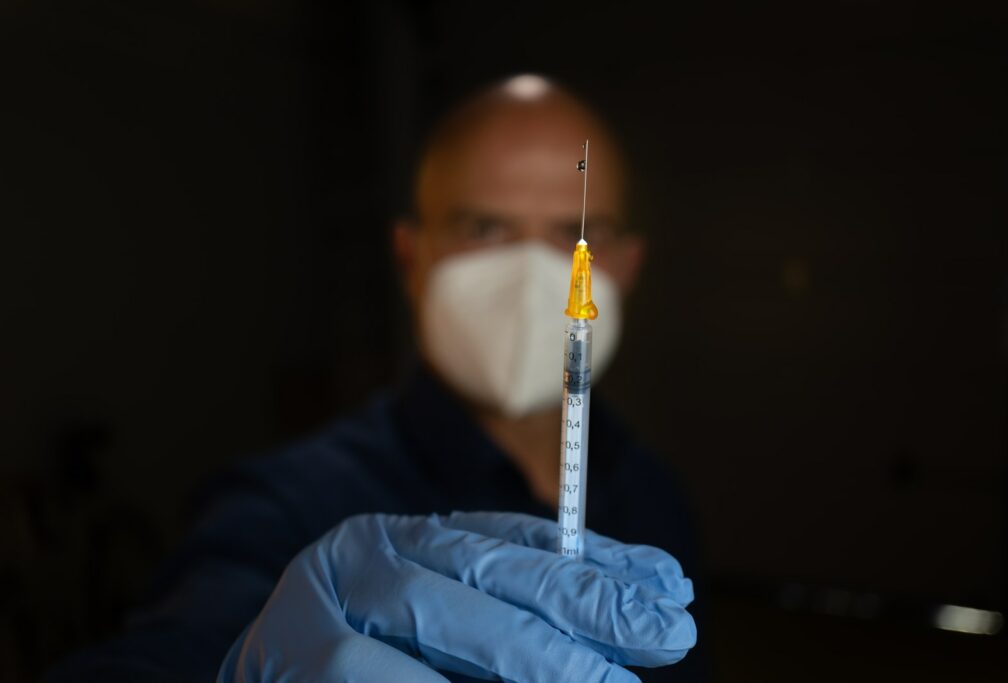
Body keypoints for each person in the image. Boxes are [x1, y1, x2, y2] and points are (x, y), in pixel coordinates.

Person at [47, 75, 707, 682]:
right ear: (410, 258)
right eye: (486, 228)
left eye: (571, 235)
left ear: (625, 265)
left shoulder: (651, 485)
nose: (535, 277)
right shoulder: (288, 505)